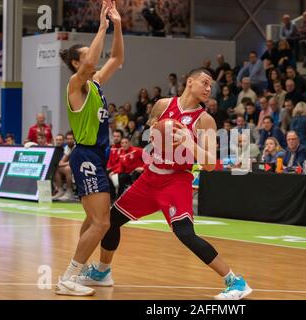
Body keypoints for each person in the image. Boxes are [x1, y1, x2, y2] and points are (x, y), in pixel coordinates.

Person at [77, 68, 253, 300]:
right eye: (205, 82)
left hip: (176, 180)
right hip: (150, 177)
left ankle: (236, 281)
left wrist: (189, 143)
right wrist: (156, 132)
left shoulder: (206, 120)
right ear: (189, 82)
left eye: (211, 85)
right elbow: (151, 126)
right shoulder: (162, 105)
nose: (209, 88)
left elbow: (210, 164)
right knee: (111, 222)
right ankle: (102, 272)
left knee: (185, 234)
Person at [56, 0, 124, 296]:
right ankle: (69, 277)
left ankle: (79, 272)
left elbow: (117, 59)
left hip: (97, 157)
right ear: (76, 63)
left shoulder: (95, 83)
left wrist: (118, 25)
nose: (93, 59)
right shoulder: (75, 83)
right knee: (101, 222)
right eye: (86, 56)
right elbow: (89, 64)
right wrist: (100, 26)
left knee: (93, 220)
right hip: (86, 156)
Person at [52, 131, 76, 201]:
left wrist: (69, 163)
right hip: (72, 166)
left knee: (67, 169)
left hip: (81, 167)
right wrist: (69, 162)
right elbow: (61, 162)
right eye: (68, 139)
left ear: (74, 140)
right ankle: (60, 191)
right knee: (56, 168)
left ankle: (70, 192)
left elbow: (75, 162)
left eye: (71, 139)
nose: (69, 140)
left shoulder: (77, 147)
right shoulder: (67, 147)